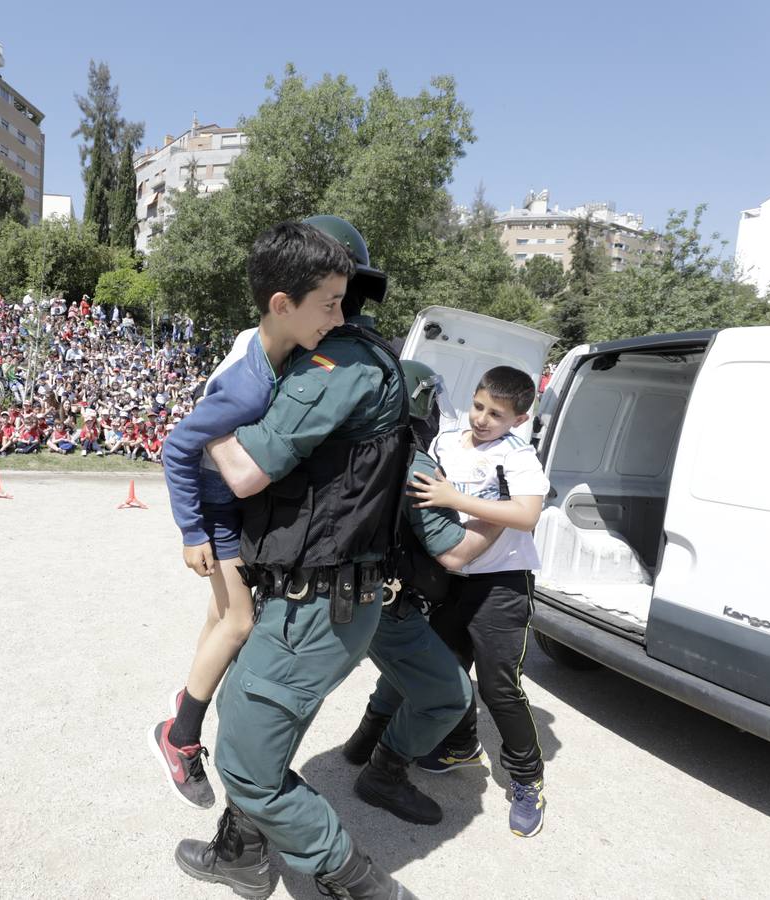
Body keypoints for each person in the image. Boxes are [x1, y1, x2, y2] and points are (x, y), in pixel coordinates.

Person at [173, 216, 418, 899]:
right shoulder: (362, 356)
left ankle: (365, 887)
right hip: (318, 595)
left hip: (316, 605)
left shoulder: (340, 362)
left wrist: (205, 415)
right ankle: (242, 853)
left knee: (246, 764)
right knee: (254, 729)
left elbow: (247, 471)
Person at [150, 221, 352, 811]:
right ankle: (180, 736)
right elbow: (178, 446)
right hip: (216, 510)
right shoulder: (248, 388)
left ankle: (186, 696)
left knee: (221, 616)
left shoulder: (270, 345)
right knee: (239, 623)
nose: (338, 320)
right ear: (282, 305)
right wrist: (192, 532)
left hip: (229, 507)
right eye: (330, 306)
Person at [337, 360, 505, 827]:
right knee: (450, 696)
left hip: (348, 595)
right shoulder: (414, 460)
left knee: (410, 669)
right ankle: (383, 773)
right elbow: (454, 554)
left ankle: (364, 741)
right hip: (387, 603)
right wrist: (498, 517)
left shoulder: (350, 446)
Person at [403, 365, 551, 837]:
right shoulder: (446, 441)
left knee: (499, 688)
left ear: (520, 419)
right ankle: (461, 745)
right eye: (479, 406)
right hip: (456, 583)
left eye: (497, 414)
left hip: (503, 586)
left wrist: (455, 498)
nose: (483, 419)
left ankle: (528, 781)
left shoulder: (518, 456)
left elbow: (526, 515)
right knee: (447, 675)